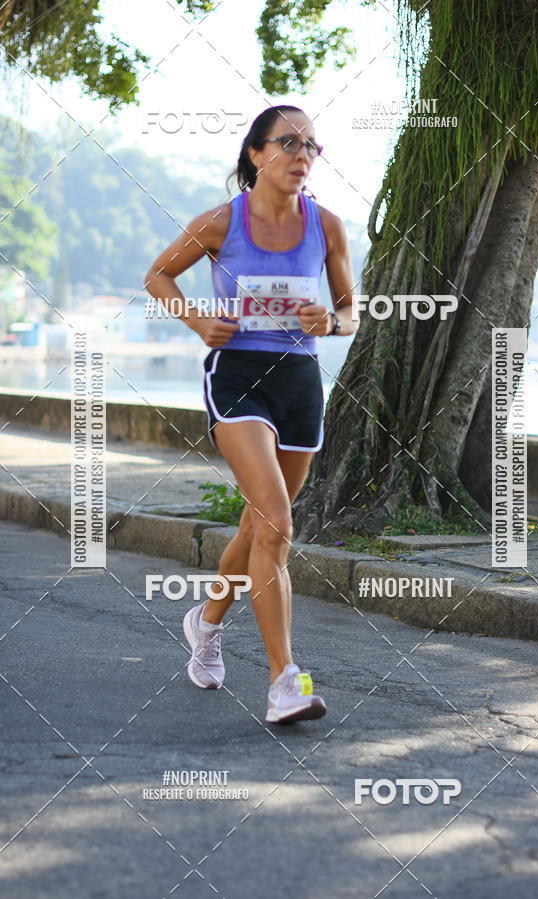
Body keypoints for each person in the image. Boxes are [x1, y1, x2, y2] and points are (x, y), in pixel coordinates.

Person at [145, 104, 358, 723]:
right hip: (237, 377)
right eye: (289, 143)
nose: (302, 155)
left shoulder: (328, 227)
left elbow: (350, 311)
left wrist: (333, 321)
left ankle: (205, 624)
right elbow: (159, 275)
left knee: (259, 528)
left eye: (312, 146)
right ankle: (284, 681)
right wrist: (197, 320)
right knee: (277, 524)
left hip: (298, 383)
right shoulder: (218, 223)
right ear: (257, 154)